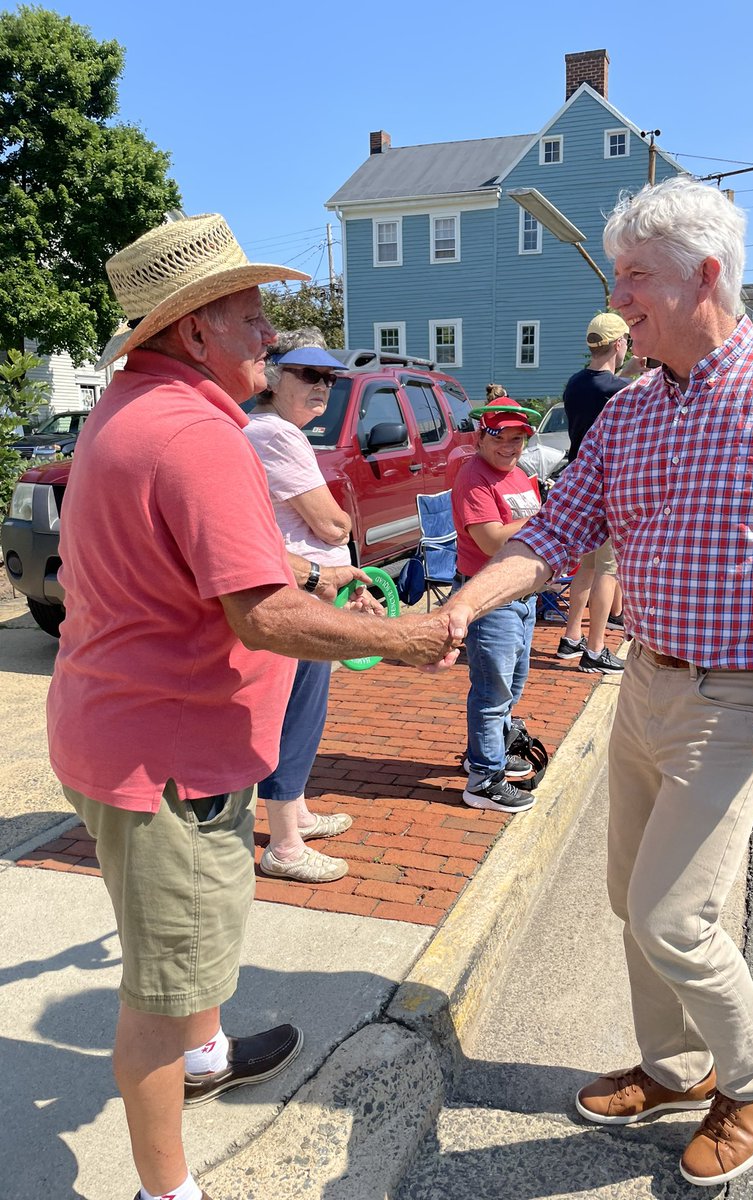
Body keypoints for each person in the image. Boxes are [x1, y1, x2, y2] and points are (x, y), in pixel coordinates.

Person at [443, 177, 753, 1187]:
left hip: (746, 697)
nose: (621, 300)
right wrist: (463, 607)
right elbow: (556, 534)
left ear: (704, 276)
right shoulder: (633, 411)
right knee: (626, 895)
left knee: (672, 915)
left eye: (635, 279)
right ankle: (676, 1064)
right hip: (645, 684)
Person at [45, 213, 459, 1200]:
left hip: (125, 732)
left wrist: (322, 592)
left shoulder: (132, 407)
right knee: (161, 987)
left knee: (179, 953)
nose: (268, 333)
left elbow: (223, 579)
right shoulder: (196, 433)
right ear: (193, 330)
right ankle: (166, 1189)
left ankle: (207, 1057)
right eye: (249, 314)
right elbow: (262, 617)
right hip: (168, 761)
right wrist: (399, 639)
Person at [245, 329, 359, 884]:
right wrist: (339, 529)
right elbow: (332, 522)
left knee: (304, 709)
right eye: (308, 375)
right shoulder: (275, 434)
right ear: (274, 375)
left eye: (329, 377)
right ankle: (285, 845)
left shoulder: (279, 430)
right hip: (300, 594)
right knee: (296, 713)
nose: (323, 387)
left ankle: (298, 815)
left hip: (309, 590)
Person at [451, 397, 542, 814]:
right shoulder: (474, 477)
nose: (511, 445)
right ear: (481, 436)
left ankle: (484, 754)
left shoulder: (519, 473)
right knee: (492, 692)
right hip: (491, 599)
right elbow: (490, 541)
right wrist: (544, 516)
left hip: (522, 597)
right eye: (501, 436)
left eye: (518, 437)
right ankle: (484, 781)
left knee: (511, 688)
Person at [556, 312, 633, 675]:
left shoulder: (575, 384)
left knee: (586, 565)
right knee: (608, 568)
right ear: (619, 343)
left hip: (579, 479)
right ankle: (596, 647)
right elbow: (625, 393)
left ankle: (571, 638)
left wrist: (628, 370)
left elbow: (605, 386)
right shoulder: (618, 390)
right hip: (608, 484)